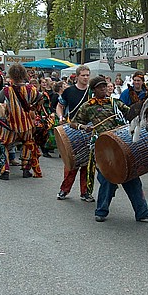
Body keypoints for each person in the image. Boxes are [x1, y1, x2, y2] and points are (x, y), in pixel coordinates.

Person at [70, 75, 148, 223]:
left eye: (105, 86)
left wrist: (142, 108)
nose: (104, 89)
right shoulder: (88, 106)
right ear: (94, 90)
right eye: (100, 87)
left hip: (121, 145)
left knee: (132, 177)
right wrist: (83, 127)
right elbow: (73, 123)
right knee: (107, 179)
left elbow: (131, 112)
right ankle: (101, 211)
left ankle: (142, 212)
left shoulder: (115, 103)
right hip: (102, 148)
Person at [0, 63, 39, 180]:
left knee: (2, 145)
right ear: (23, 74)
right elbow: (40, 102)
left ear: (11, 75)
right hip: (27, 126)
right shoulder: (32, 89)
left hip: (10, 126)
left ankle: (5, 170)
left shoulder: (6, 90)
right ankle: (26, 169)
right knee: (28, 143)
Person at [56, 65, 94, 201]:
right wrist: (60, 117)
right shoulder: (69, 91)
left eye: (87, 75)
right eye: (83, 75)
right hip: (73, 129)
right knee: (71, 162)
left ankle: (85, 192)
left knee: (88, 164)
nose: (85, 77)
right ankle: (64, 190)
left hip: (89, 130)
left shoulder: (93, 92)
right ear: (77, 76)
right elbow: (60, 106)